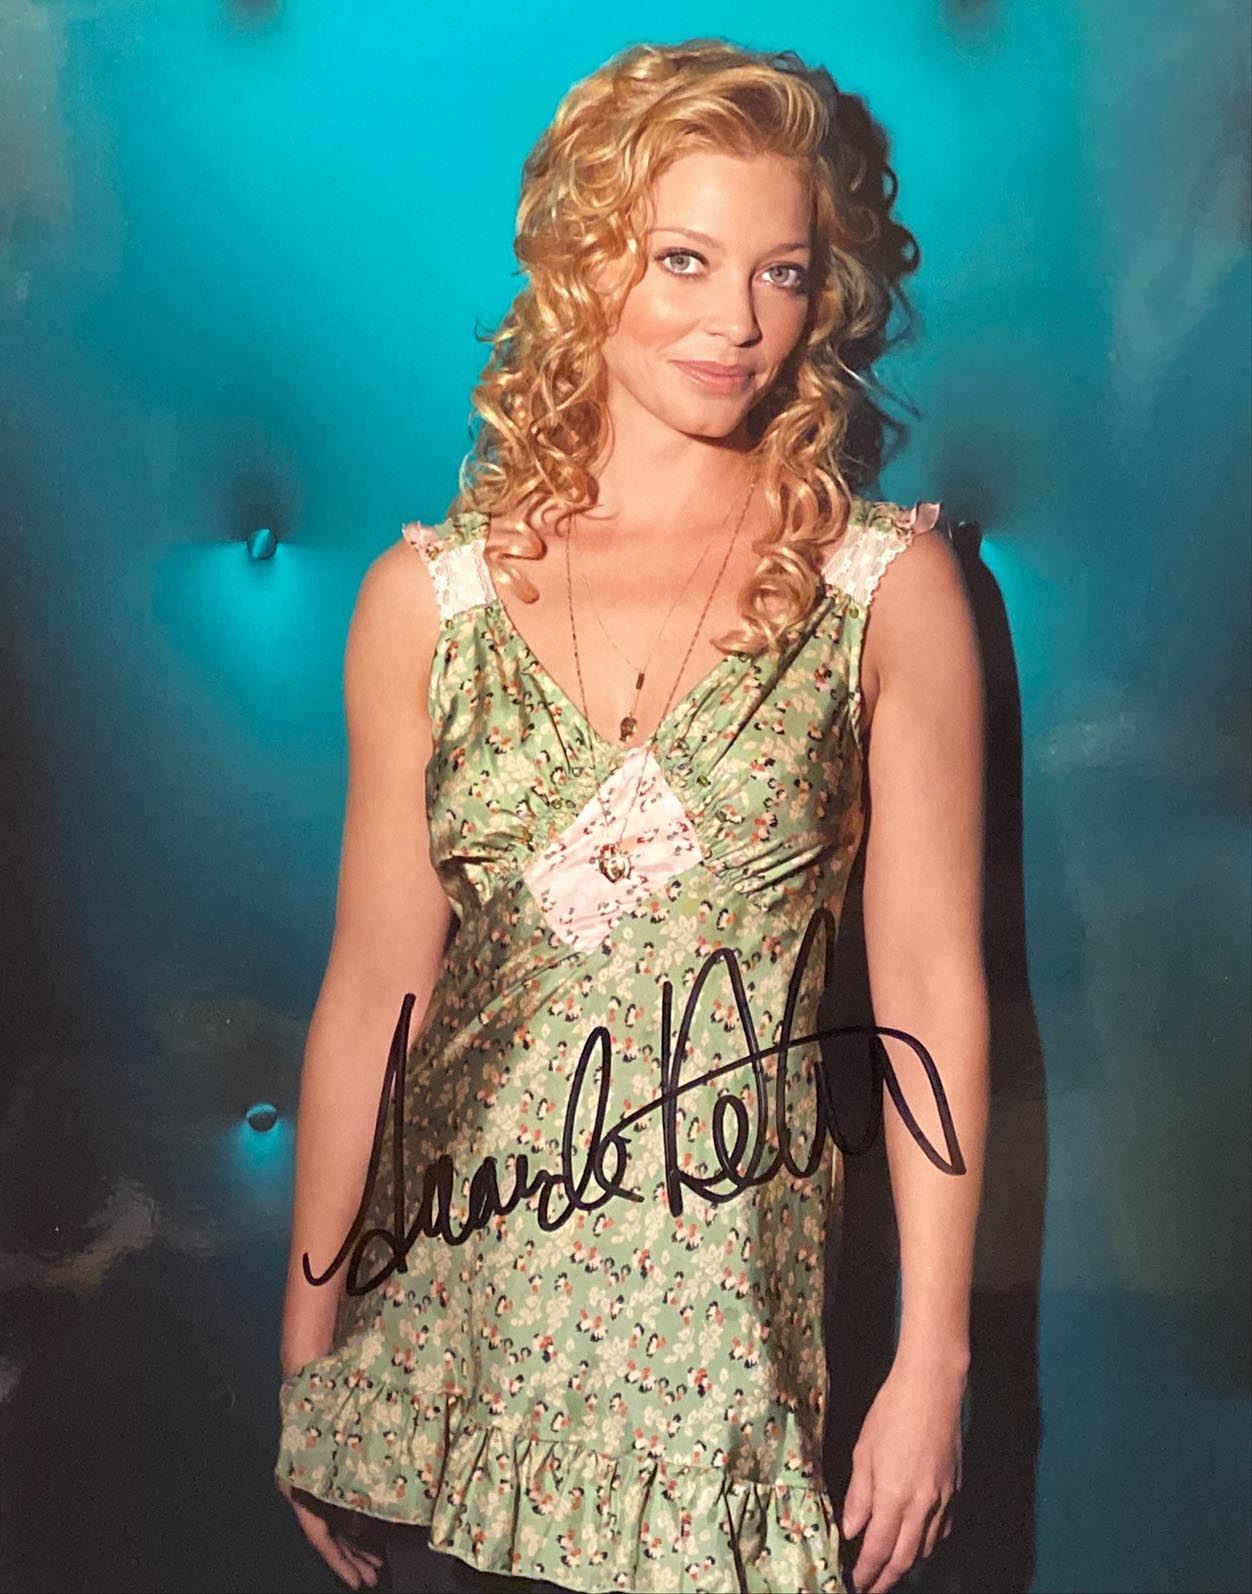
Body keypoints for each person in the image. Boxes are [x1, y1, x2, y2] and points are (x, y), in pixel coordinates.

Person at [273, 37, 988, 1594]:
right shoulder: (431, 601)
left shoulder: (885, 590)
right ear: (585, 261)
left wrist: (932, 1362)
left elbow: (931, 991)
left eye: (783, 273)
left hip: (727, 1385)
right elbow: (376, 989)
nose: (737, 322)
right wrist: (309, 1345)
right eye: (684, 259)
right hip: (448, 1368)